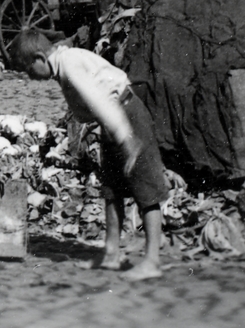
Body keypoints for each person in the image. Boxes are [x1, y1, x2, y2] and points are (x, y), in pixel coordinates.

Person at [15, 28, 166, 281]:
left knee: (146, 189)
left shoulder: (70, 65)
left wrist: (126, 139)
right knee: (112, 188)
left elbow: (100, 100)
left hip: (126, 117)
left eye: (29, 70)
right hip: (112, 122)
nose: (31, 77)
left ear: (40, 57)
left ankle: (152, 260)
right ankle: (111, 252)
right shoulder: (63, 63)